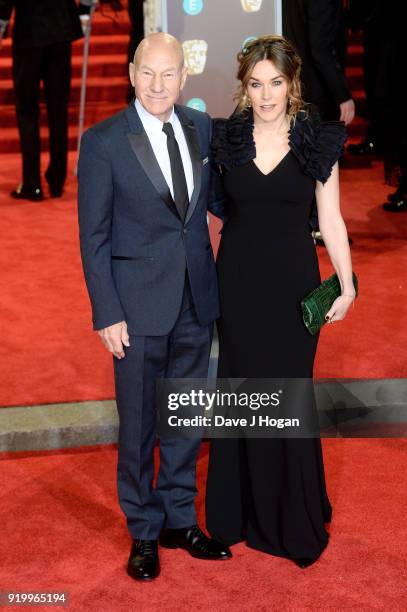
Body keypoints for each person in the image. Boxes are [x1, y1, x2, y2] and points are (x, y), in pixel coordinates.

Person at [77, 32, 230, 582]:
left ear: (182, 78)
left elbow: (217, 202)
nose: (158, 84)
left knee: (186, 417)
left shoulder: (199, 128)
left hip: (195, 298)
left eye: (168, 74)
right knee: (140, 424)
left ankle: (178, 518)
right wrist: (106, 311)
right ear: (131, 73)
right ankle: (143, 530)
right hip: (135, 310)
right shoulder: (103, 142)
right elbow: (92, 236)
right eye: (148, 73)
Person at [205, 35, 356, 568]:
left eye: (275, 82)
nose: (266, 94)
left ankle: (293, 517)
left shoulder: (317, 139)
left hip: (294, 285)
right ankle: (236, 513)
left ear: (292, 84)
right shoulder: (227, 139)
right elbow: (210, 215)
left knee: (288, 397)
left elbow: (331, 219)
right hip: (239, 285)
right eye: (255, 83)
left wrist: (348, 282)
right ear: (243, 88)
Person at [0, 0, 94, 201]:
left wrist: (2, 19)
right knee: (58, 108)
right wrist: (85, 10)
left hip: (29, 32)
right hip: (60, 30)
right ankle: (57, 180)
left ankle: (32, 182)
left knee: (27, 110)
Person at [283, 0, 355, 244]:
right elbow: (321, 47)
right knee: (320, 161)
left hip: (296, 82)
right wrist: (342, 93)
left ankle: (306, 223)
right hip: (317, 89)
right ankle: (317, 224)